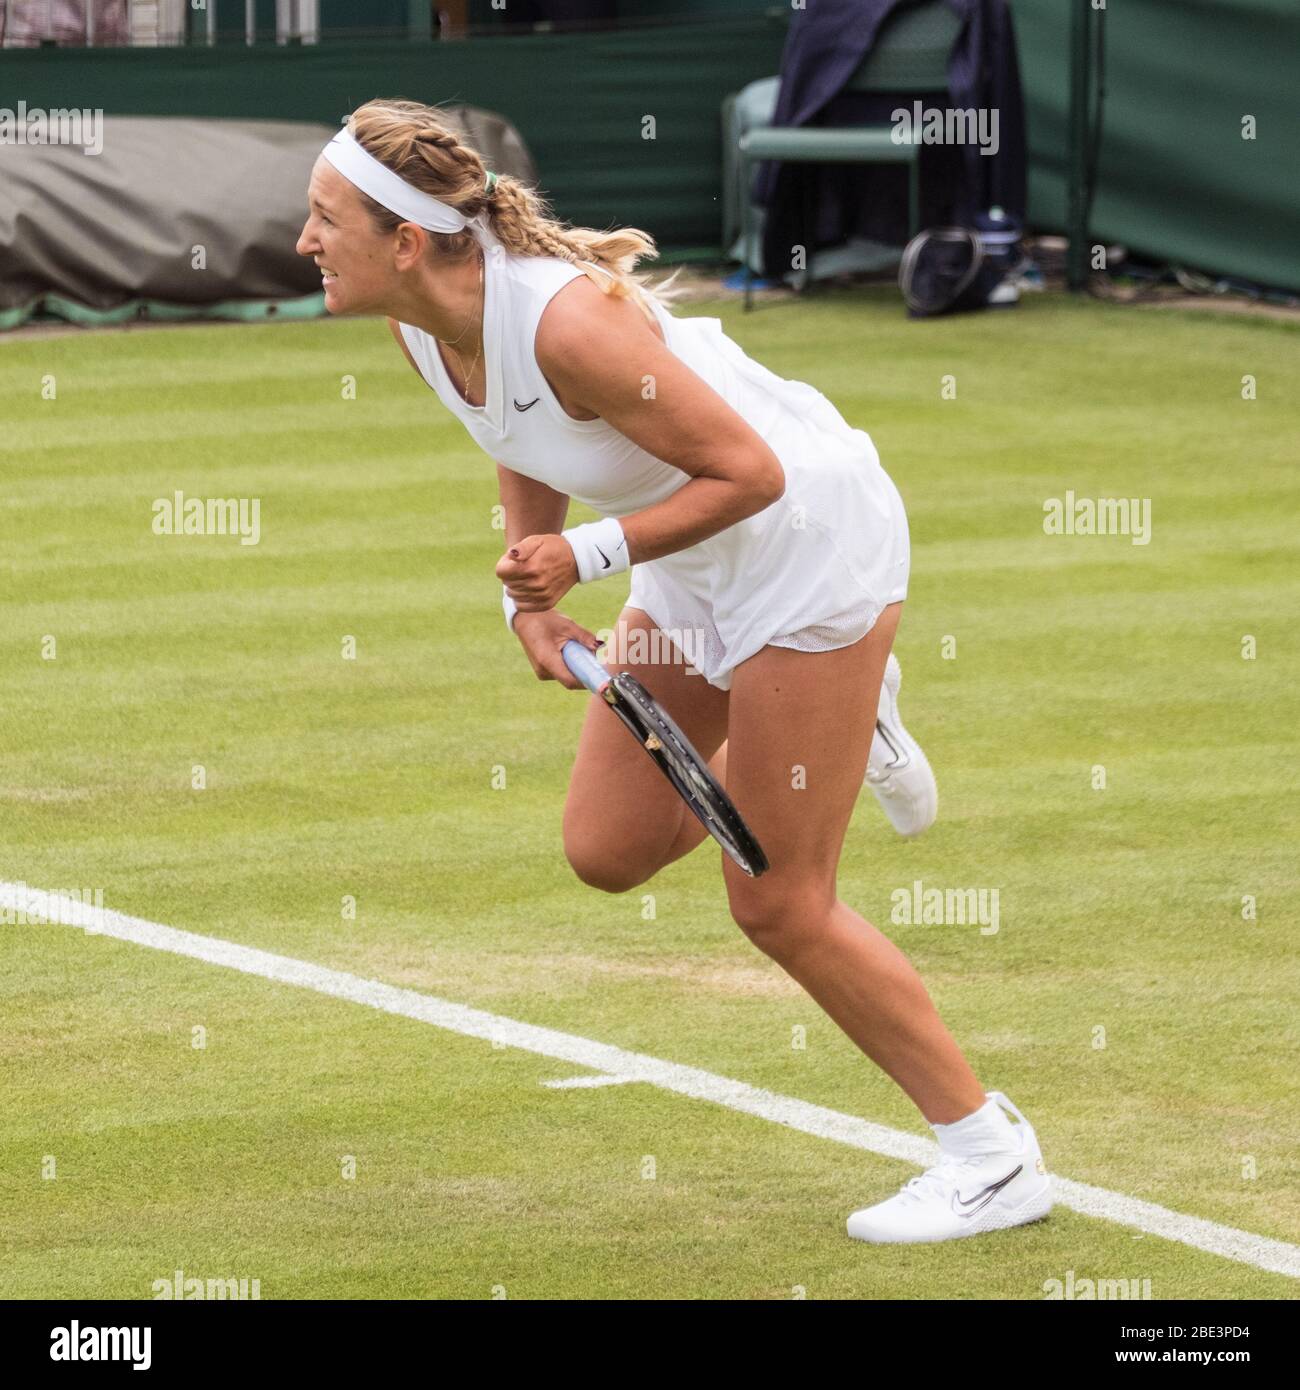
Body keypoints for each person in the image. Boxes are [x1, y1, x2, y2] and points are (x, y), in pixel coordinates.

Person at [295, 98, 1052, 1244]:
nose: (303, 239)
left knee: (778, 901)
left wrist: (586, 557)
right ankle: (842, 723)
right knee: (608, 848)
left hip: (803, 545)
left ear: (406, 240)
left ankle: (989, 1157)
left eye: (324, 217)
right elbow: (517, 436)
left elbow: (751, 473)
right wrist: (527, 597)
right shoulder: (423, 324)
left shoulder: (566, 325)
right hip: (695, 563)